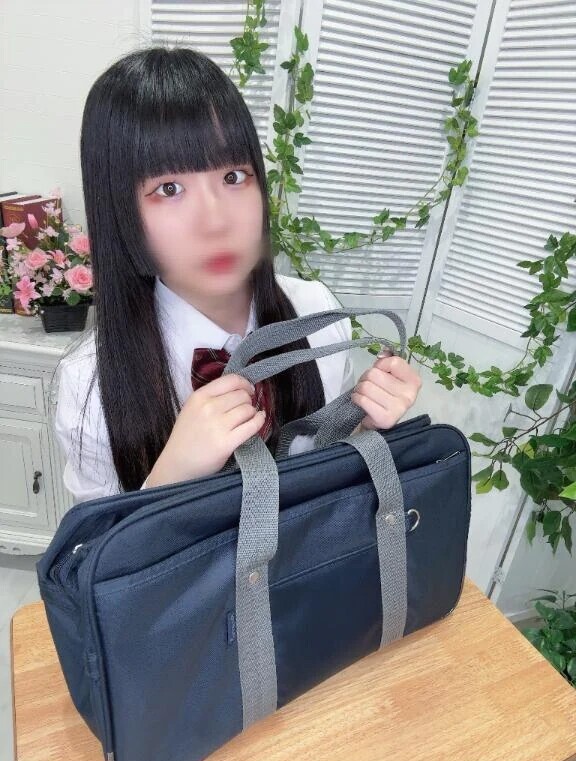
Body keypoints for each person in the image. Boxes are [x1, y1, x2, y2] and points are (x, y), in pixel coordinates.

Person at [52, 45, 422, 505]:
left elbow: (327, 489)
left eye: (233, 177)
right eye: (169, 188)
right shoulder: (89, 383)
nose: (216, 222)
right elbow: (95, 546)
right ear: (118, 209)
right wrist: (171, 475)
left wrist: (367, 427)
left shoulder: (316, 313)